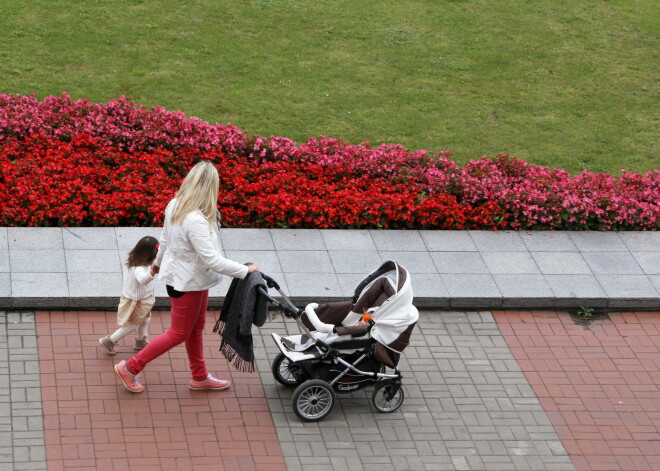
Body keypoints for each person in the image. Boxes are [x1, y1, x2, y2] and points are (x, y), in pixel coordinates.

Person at [114, 160, 260, 393]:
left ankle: (200, 377)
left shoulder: (175, 205)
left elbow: (164, 239)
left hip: (189, 279)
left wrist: (156, 267)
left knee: (195, 327)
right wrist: (246, 271)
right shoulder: (196, 220)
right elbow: (211, 260)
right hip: (188, 282)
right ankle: (130, 368)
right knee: (178, 333)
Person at [99, 236, 159, 355]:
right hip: (137, 301)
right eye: (154, 258)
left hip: (141, 299)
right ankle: (109, 340)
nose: (154, 261)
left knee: (146, 318)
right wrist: (153, 271)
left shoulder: (130, 261)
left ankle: (140, 341)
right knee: (133, 324)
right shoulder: (139, 269)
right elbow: (142, 279)